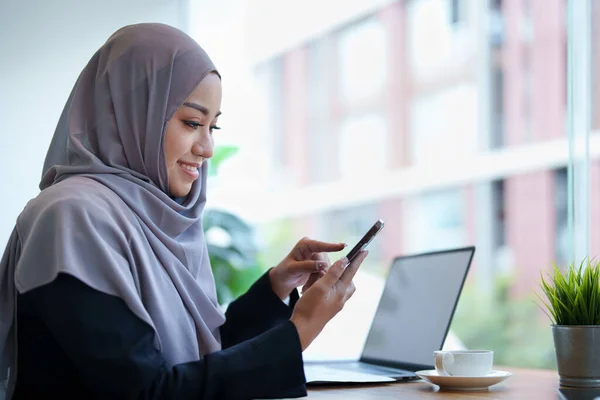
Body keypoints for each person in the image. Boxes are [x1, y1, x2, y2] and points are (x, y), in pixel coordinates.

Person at [0, 23, 368, 399]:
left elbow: (194, 357)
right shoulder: (72, 218)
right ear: (133, 112)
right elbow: (150, 391)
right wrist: (301, 328)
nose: (207, 148)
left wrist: (276, 287)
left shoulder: (153, 217)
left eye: (213, 126)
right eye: (192, 123)